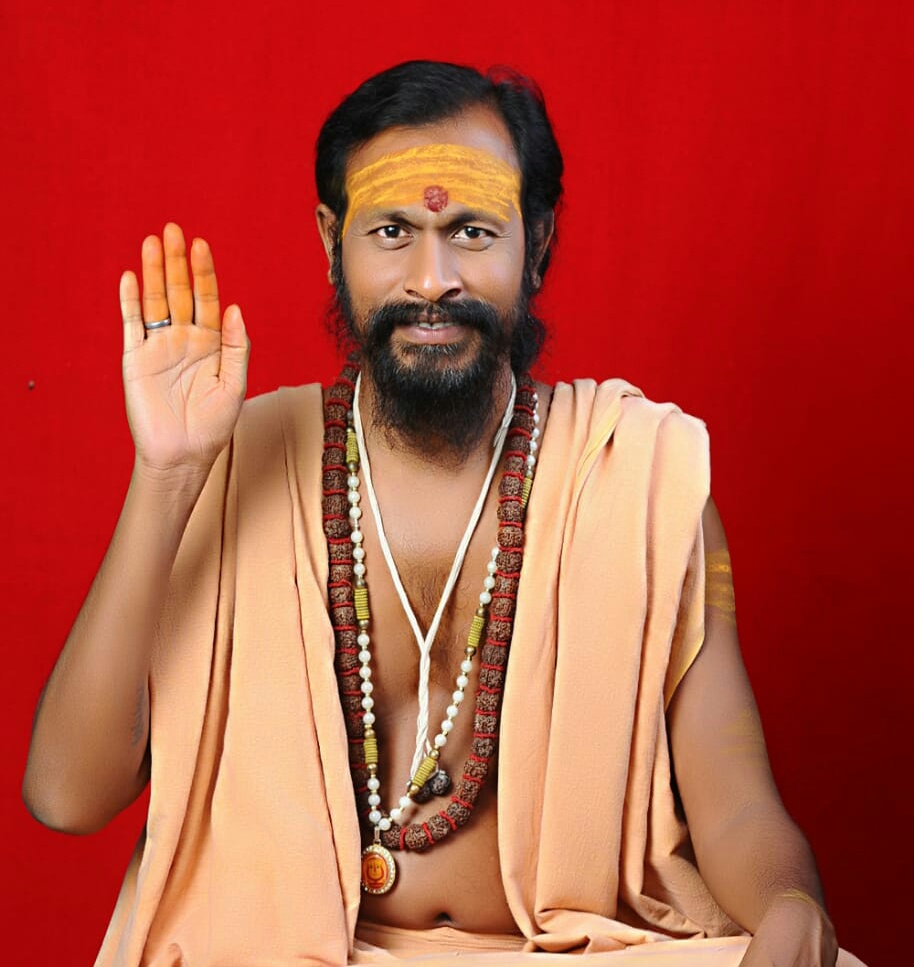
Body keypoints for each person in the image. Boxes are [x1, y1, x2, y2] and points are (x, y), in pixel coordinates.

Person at [23, 61, 860, 967]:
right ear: (332, 240)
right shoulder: (230, 465)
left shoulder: (641, 476)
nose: (432, 279)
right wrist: (167, 474)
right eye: (392, 231)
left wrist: (792, 907)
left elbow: (736, 805)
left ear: (537, 242)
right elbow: (66, 794)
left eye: (471, 231)